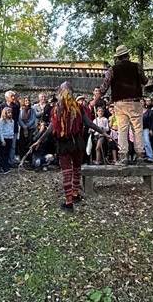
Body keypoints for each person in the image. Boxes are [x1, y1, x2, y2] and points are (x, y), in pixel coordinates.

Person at [32, 82, 111, 212]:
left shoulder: (56, 109)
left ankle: (69, 201)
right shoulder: (76, 108)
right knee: (76, 169)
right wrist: (104, 133)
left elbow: (51, 128)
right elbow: (89, 123)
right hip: (77, 142)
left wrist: (40, 140)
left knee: (67, 172)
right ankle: (74, 194)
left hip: (65, 144)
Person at [95, 45, 148, 165]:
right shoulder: (137, 67)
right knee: (138, 130)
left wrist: (94, 100)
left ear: (118, 57)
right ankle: (140, 156)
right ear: (128, 55)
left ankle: (123, 156)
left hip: (120, 103)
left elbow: (104, 87)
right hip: (135, 102)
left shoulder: (112, 70)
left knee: (122, 130)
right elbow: (145, 81)